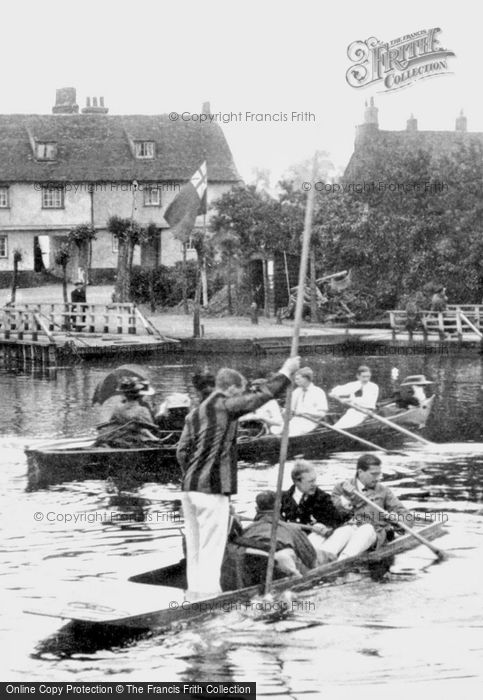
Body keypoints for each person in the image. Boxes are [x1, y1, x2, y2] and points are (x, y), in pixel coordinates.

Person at [176, 356, 300, 599]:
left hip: (188, 489)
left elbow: (180, 452)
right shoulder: (224, 404)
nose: (240, 397)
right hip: (212, 489)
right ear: (231, 388)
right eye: (239, 392)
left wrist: (192, 476)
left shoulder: (195, 413)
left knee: (195, 549)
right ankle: (209, 599)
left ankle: (193, 594)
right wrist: (286, 371)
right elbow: (260, 396)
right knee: (212, 549)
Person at [327, 454, 410, 559]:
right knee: (344, 531)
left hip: (373, 534)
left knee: (366, 529)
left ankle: (343, 560)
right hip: (349, 530)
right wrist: (349, 502)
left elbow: (406, 515)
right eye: (373, 474)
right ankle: (324, 559)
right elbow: (332, 509)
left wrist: (398, 523)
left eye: (379, 474)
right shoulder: (344, 486)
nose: (377, 478)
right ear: (360, 472)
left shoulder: (383, 491)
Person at [235, 491, 317, 577]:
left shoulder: (247, 530)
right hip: (282, 564)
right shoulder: (291, 529)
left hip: (254, 568)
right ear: (279, 506)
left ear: (257, 509)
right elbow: (310, 558)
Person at [281, 460, 348, 564]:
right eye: (310, 482)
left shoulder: (322, 498)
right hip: (287, 540)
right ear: (296, 482)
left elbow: (335, 521)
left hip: (311, 541)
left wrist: (321, 525)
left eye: (314, 480)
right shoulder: (282, 498)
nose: (314, 485)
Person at [97, 377, 159, 446]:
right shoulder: (142, 410)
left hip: (116, 437)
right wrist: (152, 411)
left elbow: (112, 422)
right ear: (141, 396)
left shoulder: (117, 408)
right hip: (133, 440)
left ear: (125, 394)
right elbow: (151, 427)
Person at [275, 366, 327, 437]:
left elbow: (321, 414)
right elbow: (290, 410)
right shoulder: (297, 391)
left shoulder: (318, 392)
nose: (296, 382)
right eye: (295, 379)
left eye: (298, 379)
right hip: (297, 420)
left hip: (311, 422)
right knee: (276, 430)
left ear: (306, 379)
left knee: (290, 434)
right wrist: (284, 410)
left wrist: (304, 412)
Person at [330, 365, 379, 429]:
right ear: (358, 376)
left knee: (340, 428)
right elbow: (341, 389)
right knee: (337, 427)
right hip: (353, 411)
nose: (366, 379)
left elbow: (367, 401)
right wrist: (333, 392)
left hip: (365, 412)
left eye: (368, 376)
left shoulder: (373, 387)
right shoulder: (354, 385)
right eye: (363, 377)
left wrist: (350, 400)